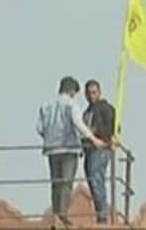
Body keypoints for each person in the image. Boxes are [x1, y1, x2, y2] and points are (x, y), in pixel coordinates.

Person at [36, 75, 107, 227]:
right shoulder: (71, 104)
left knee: (56, 182)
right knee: (66, 182)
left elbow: (40, 128)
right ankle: (62, 215)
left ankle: (56, 213)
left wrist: (49, 137)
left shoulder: (46, 105)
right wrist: (94, 139)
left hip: (51, 149)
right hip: (68, 148)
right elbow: (78, 123)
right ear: (72, 91)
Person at [81, 79, 117, 225]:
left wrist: (107, 138)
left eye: (94, 93)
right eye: (89, 93)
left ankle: (102, 215)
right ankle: (100, 213)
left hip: (100, 149)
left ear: (99, 92)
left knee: (97, 181)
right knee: (93, 181)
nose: (91, 96)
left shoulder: (105, 108)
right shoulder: (87, 111)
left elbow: (113, 126)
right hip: (89, 150)